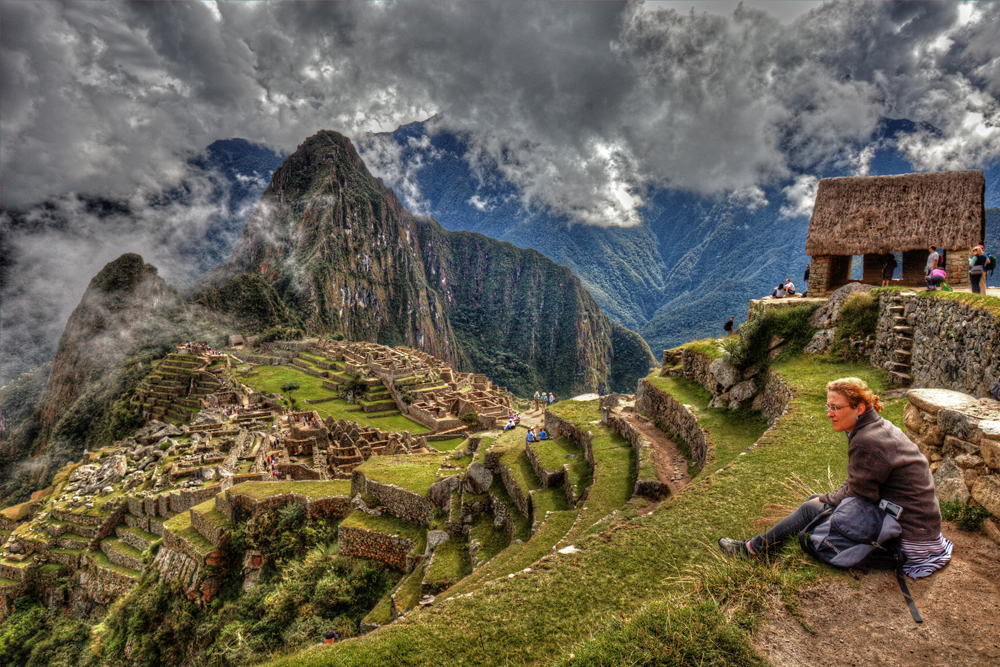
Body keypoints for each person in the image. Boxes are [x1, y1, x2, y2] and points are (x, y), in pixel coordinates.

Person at [718, 377, 952, 579]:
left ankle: (752, 551)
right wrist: (826, 498)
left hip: (910, 536)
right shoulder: (875, 427)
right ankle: (763, 550)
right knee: (816, 502)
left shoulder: (868, 440)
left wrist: (825, 499)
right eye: (828, 406)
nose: (829, 414)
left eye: (836, 408)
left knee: (810, 508)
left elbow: (861, 494)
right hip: (917, 522)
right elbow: (860, 482)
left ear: (859, 408)